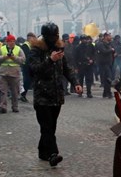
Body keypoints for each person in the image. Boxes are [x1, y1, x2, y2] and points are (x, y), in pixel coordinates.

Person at [28, 23, 81, 166]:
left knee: (51, 127)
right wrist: (50, 60)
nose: (53, 39)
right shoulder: (36, 50)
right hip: (42, 96)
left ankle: (42, 151)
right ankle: (53, 154)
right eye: (50, 36)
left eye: (55, 36)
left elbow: (66, 68)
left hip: (57, 95)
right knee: (46, 127)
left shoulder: (59, 48)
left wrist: (75, 82)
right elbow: (34, 70)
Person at [0, 34, 25, 112]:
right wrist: (4, 57)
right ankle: (3, 107)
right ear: (7, 42)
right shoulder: (2, 49)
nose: (12, 43)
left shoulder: (18, 49)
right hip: (3, 73)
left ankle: (15, 107)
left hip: (15, 73)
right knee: (3, 91)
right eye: (10, 41)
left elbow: (23, 59)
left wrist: (14, 57)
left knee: (15, 92)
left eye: (13, 41)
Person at [95, 33, 115, 99]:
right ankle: (108, 92)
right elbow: (104, 51)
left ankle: (105, 93)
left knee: (107, 79)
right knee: (108, 78)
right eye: (109, 36)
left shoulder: (109, 43)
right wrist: (111, 50)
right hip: (103, 64)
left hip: (109, 63)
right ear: (105, 37)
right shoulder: (100, 44)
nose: (110, 37)